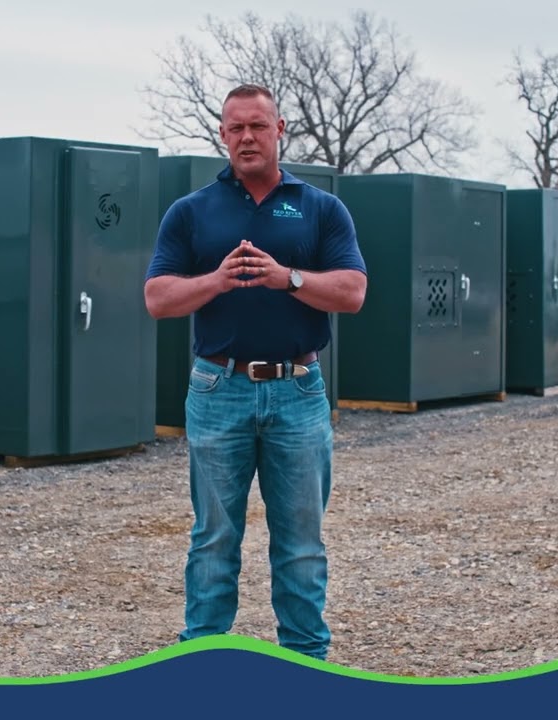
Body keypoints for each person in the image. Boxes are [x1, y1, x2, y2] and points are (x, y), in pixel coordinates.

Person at [143, 83, 368, 661]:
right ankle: (205, 665)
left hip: (299, 390)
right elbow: (158, 299)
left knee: (300, 545)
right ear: (222, 134)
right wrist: (217, 280)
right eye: (236, 127)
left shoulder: (320, 207)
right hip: (218, 388)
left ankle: (305, 665)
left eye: (258, 126)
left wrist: (286, 277)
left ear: (279, 129)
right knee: (214, 539)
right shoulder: (192, 212)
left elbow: (353, 291)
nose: (247, 137)